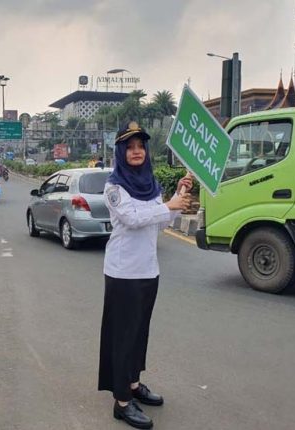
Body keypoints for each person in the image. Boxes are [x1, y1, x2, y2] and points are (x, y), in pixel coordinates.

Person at [98, 121, 191, 429]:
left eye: (140, 146)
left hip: (149, 270)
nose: (136, 151)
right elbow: (132, 218)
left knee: (139, 333)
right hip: (123, 272)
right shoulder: (114, 186)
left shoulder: (150, 183)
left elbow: (160, 223)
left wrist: (179, 196)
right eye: (130, 147)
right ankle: (122, 401)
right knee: (123, 336)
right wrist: (169, 205)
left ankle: (135, 383)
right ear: (120, 152)